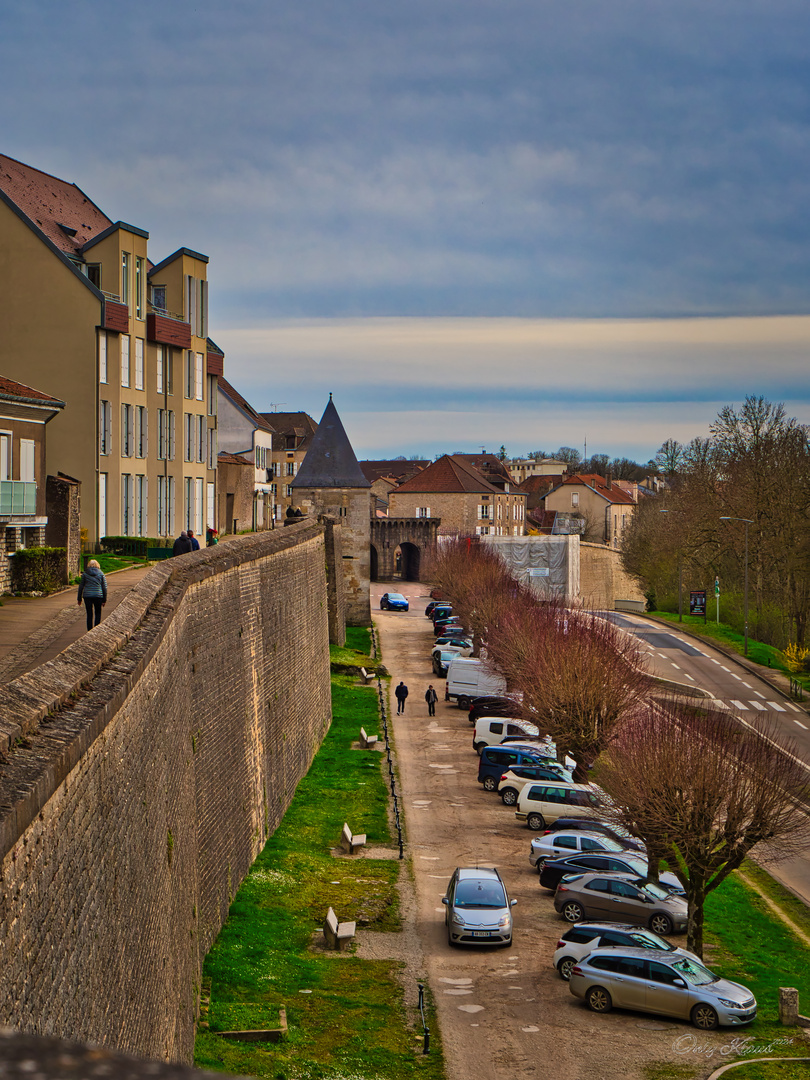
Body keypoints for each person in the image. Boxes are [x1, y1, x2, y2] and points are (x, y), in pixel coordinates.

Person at [77, 558, 107, 631]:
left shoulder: (85, 574)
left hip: (87, 596)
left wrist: (79, 598)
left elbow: (81, 586)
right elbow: (104, 587)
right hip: (98, 595)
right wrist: (104, 599)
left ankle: (89, 630)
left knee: (89, 614)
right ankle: (96, 630)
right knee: (98, 613)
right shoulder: (101, 573)